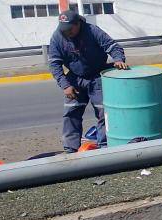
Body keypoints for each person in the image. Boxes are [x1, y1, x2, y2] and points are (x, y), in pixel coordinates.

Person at [48, 10, 128, 152]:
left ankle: (104, 146)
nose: (67, 33)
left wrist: (118, 59)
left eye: (70, 29)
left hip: (97, 76)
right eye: (64, 30)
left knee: (104, 112)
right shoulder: (57, 37)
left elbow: (113, 47)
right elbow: (54, 64)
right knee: (71, 113)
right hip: (74, 79)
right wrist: (65, 85)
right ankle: (70, 149)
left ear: (78, 24)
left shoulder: (92, 31)